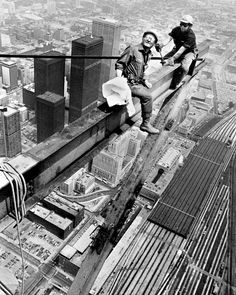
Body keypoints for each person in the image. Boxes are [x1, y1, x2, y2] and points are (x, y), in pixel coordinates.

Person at [115, 30, 160, 134]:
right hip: (129, 83)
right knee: (148, 97)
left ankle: (145, 122)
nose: (149, 39)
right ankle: (145, 124)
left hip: (137, 83)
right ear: (143, 38)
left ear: (153, 43)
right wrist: (120, 81)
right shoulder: (133, 49)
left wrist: (145, 81)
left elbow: (141, 70)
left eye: (152, 39)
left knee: (148, 92)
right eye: (147, 37)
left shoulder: (148, 54)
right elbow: (120, 64)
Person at [163, 15, 197, 89]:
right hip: (178, 49)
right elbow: (168, 39)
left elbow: (182, 50)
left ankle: (178, 82)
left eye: (184, 25)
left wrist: (173, 58)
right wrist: (161, 45)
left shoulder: (191, 36)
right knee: (164, 59)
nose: (182, 26)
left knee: (184, 67)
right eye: (181, 23)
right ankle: (167, 79)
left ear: (190, 26)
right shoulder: (176, 30)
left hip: (188, 52)